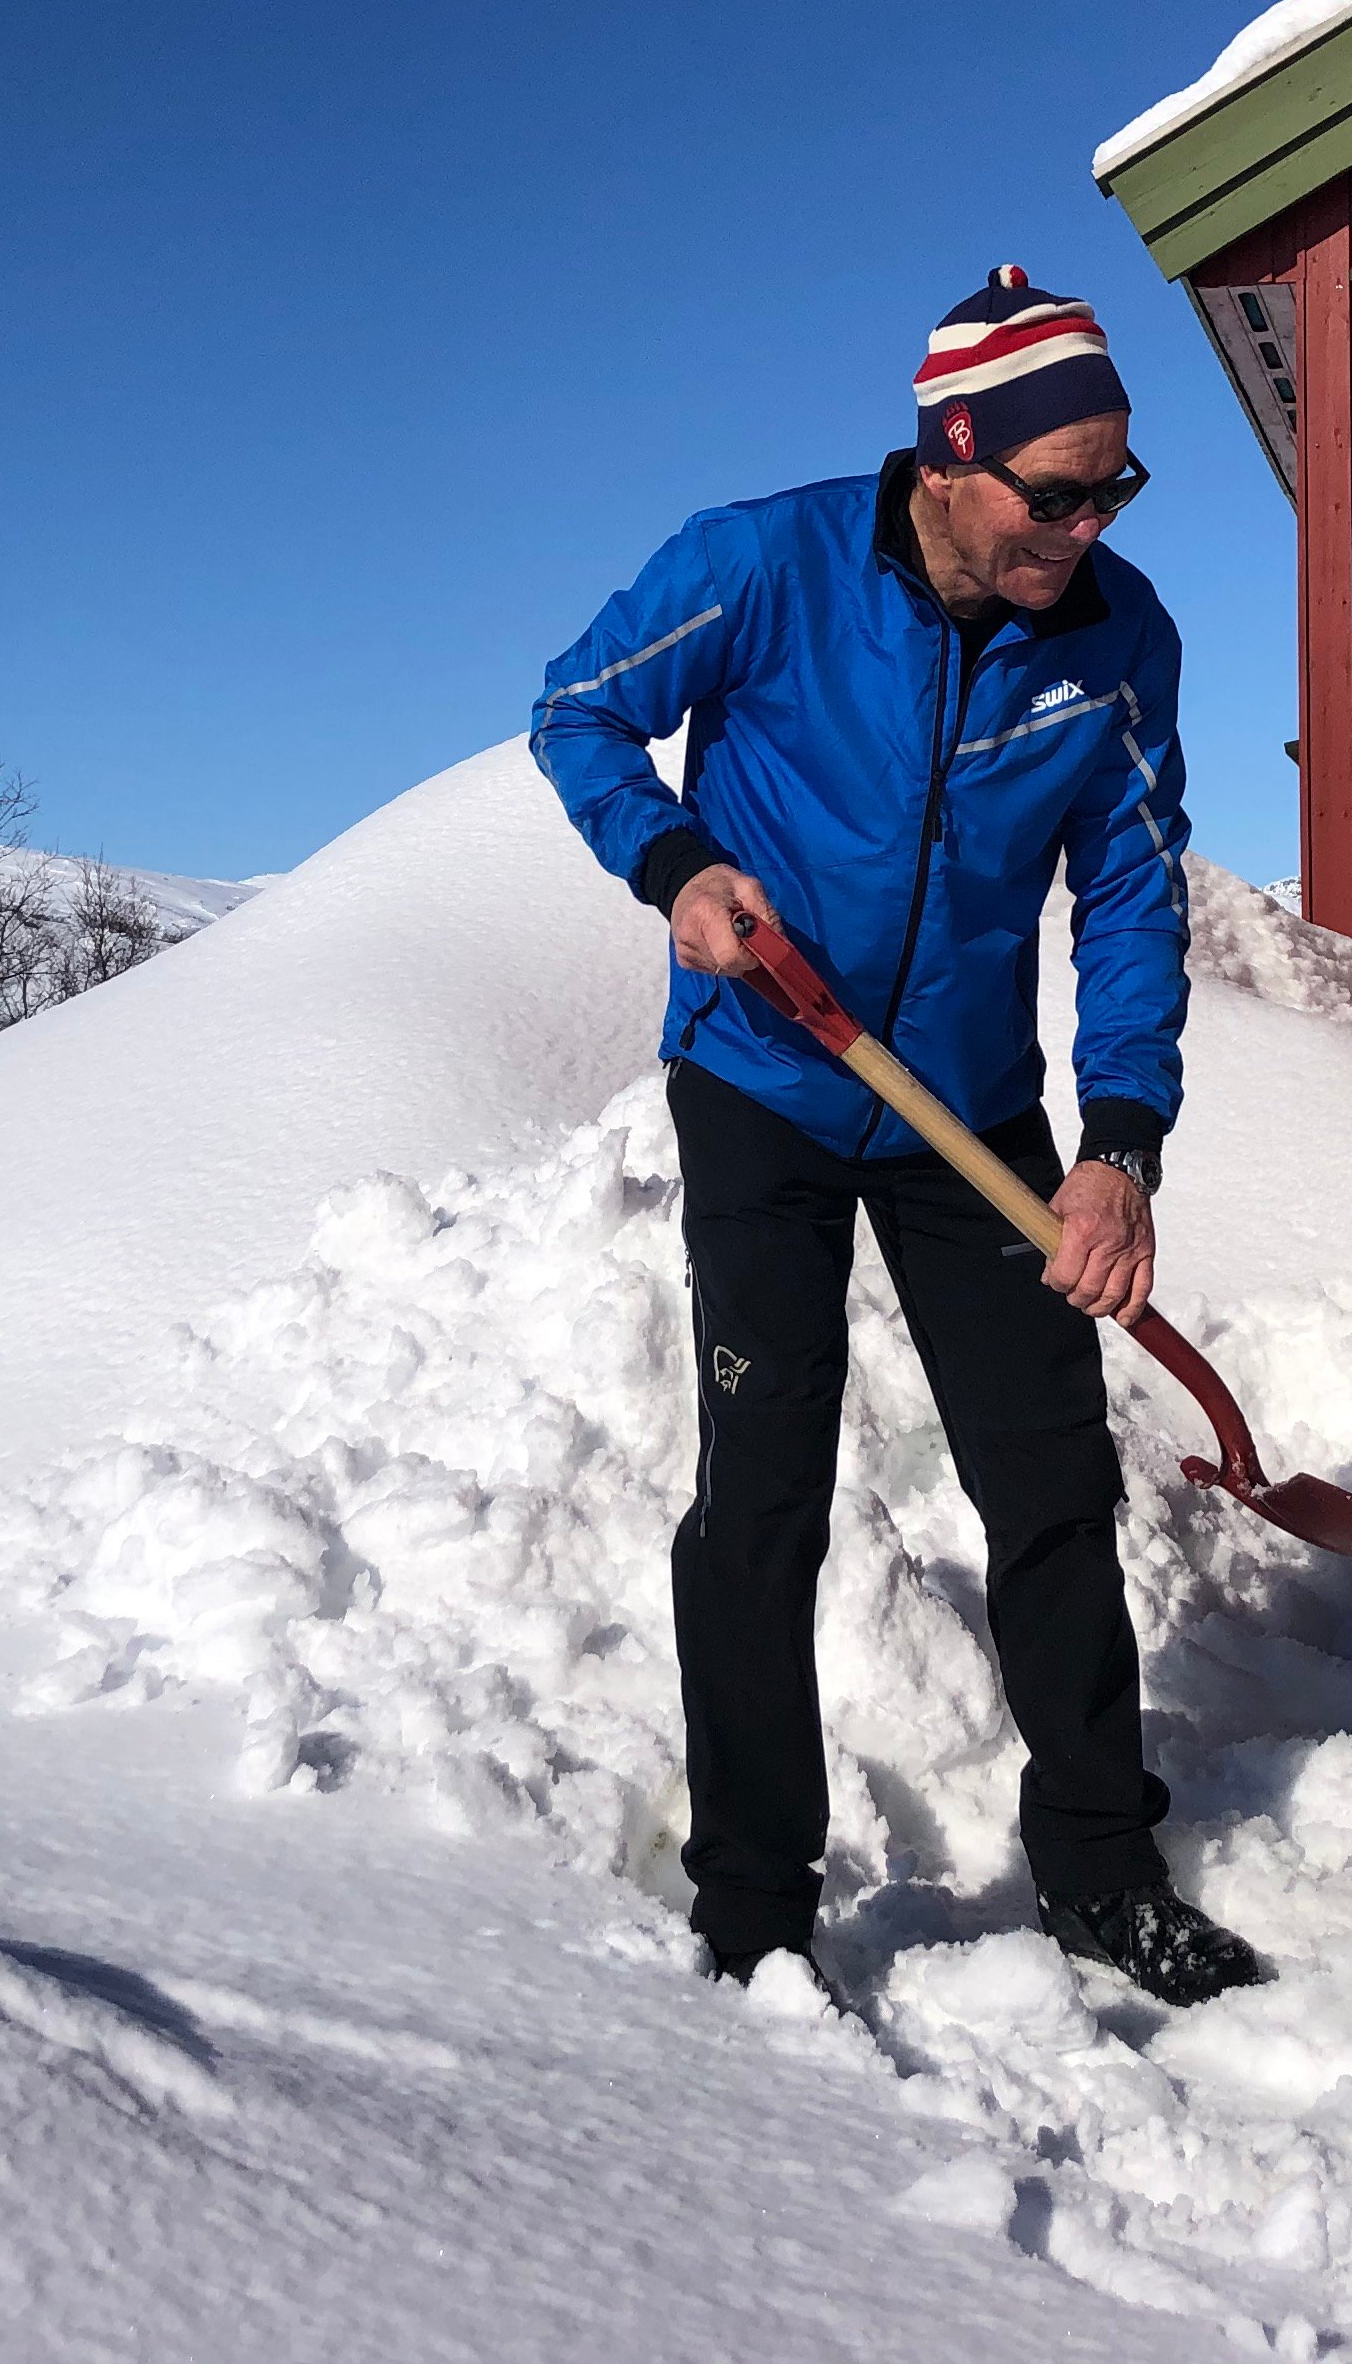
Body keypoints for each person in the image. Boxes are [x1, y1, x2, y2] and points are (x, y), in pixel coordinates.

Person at [529, 267, 1263, 2010]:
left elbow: (1138, 893)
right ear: (952, 453)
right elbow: (576, 710)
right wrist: (675, 864)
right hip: (763, 1086)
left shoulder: (1114, 641)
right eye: (1056, 491)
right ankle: (756, 1903)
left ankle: (1096, 1867)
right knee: (763, 1495)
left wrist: (1124, 1143)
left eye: (1116, 490)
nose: (1085, 530)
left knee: (1052, 1486)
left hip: (970, 1120)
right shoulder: (764, 565)